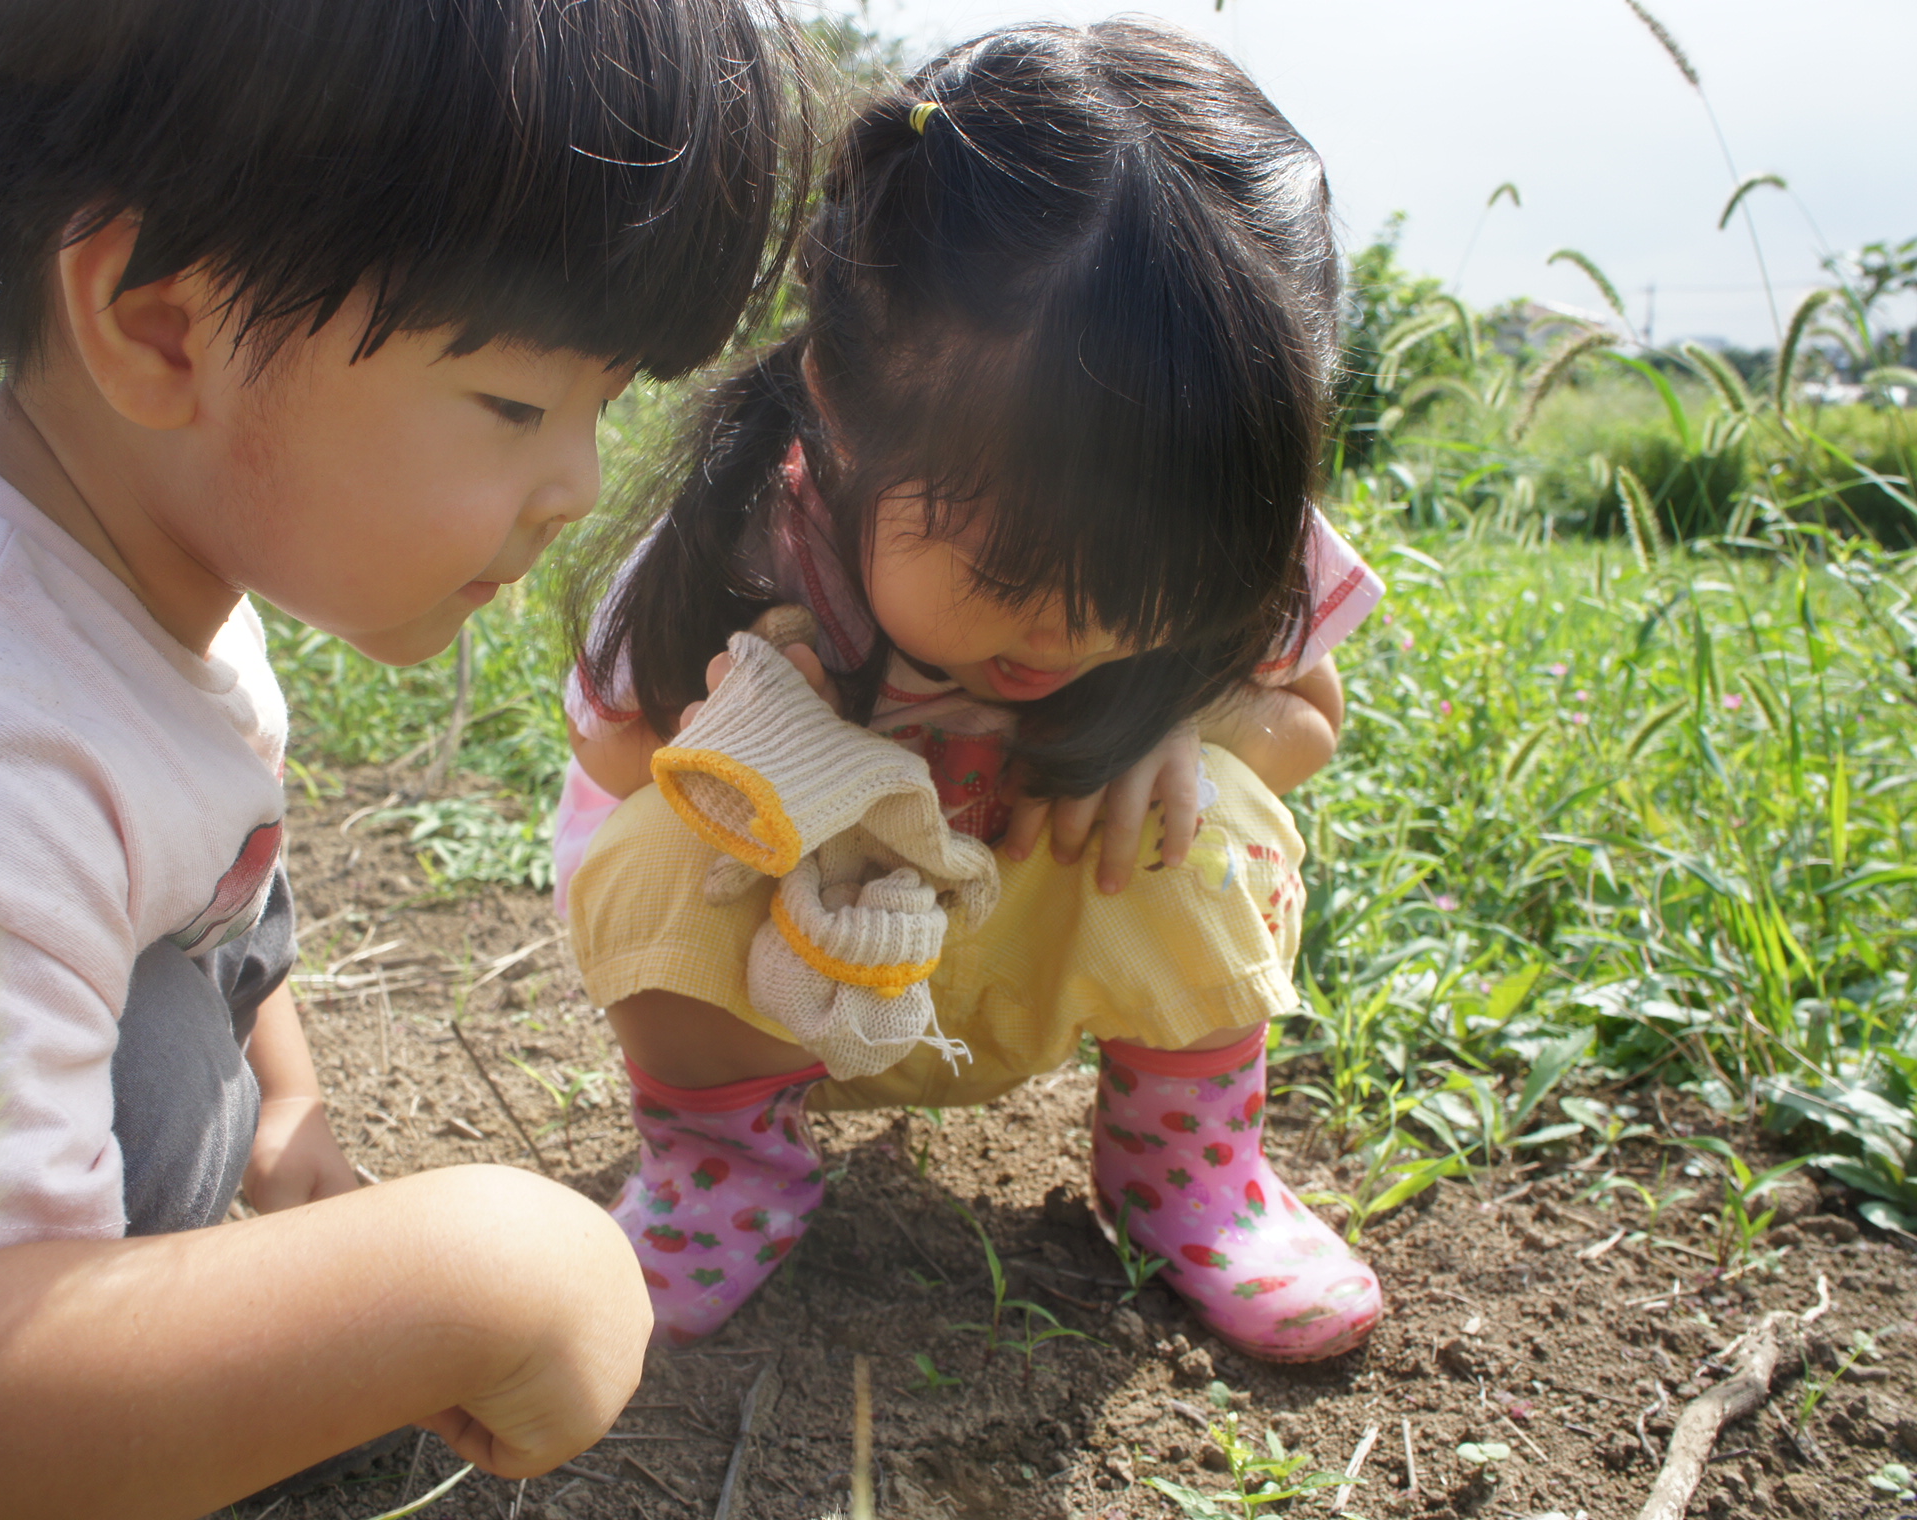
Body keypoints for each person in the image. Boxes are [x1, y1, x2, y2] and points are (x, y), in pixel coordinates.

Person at [0, 0, 806, 1515]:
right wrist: (477, 1278)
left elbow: (209, 892)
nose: (573, 484)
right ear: (158, 323)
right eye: (514, 403)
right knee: (159, 1086)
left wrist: (299, 1132)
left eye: (602, 404)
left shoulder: (65, 546)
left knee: (192, 1031)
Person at [557, 18, 1388, 1364]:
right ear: (841, 410)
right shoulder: (757, 533)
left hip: (1031, 928)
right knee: (659, 842)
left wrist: (1172, 721)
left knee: (1220, 823)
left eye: (1145, 579)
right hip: (790, 955)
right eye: (1008, 557)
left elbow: (1310, 717)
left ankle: (1191, 1173)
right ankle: (720, 1170)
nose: (1075, 623)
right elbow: (607, 745)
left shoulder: (1229, 527)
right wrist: (766, 724)